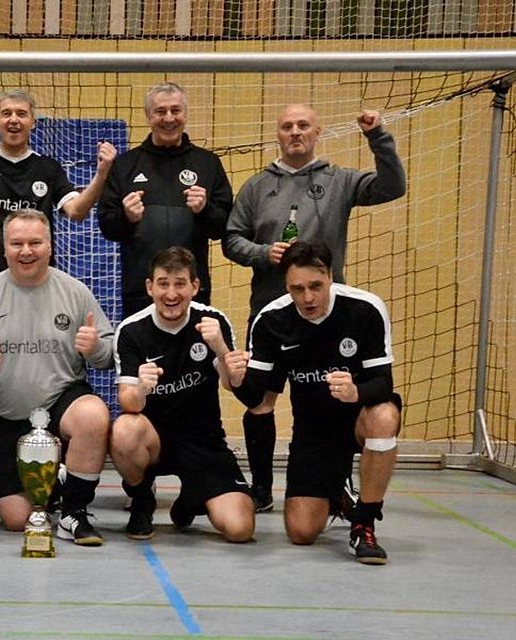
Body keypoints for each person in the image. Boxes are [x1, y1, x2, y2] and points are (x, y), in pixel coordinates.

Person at [0, 90, 117, 511]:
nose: (13, 119)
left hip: (37, 289)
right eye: (5, 114)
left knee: (42, 380)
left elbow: (75, 211)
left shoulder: (47, 169)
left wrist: (103, 173)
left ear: (33, 121)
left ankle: (56, 480)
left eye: (21, 113)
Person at [223, 104, 406, 513]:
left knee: (332, 396)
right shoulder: (256, 187)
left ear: (318, 131)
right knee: (261, 399)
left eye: (303, 125)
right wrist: (262, 252)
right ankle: (262, 487)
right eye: (286, 126)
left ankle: (336, 479)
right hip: (271, 312)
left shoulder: (338, 179)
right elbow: (231, 239)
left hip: (327, 318)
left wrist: (378, 136)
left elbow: (393, 187)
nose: (295, 132)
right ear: (278, 134)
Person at [224, 241, 401, 564]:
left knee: (385, 416)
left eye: (315, 286)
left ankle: (364, 523)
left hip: (358, 417)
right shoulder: (271, 320)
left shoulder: (365, 309)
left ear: (331, 276)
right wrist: (232, 376)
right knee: (301, 533)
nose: (307, 298)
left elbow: (384, 384)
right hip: (313, 432)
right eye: (297, 288)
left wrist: (355, 393)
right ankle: (339, 491)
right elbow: (254, 397)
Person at [0, 209, 114, 546]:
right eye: (17, 243)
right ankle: (49, 487)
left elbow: (109, 355)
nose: (26, 251)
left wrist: (95, 347)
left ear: (50, 246)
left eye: (35, 242)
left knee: (92, 415)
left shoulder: (75, 292)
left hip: (59, 403)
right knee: (16, 520)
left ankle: (74, 512)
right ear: (5, 249)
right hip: (6, 417)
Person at [110, 247, 254, 542]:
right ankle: (142, 500)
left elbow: (234, 383)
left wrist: (220, 348)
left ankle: (191, 498)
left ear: (195, 287)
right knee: (124, 429)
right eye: (163, 283)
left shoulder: (213, 322)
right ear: (150, 287)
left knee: (240, 529)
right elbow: (128, 402)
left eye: (180, 284)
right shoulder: (131, 330)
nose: (171, 294)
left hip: (204, 441)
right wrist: (141, 387)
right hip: (155, 442)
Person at [98, 82, 233, 318]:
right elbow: (107, 227)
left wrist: (204, 209)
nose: (169, 118)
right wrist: (126, 217)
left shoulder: (208, 163)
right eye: (160, 111)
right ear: (148, 116)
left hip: (193, 292)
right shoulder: (125, 165)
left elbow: (223, 227)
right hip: (141, 292)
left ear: (185, 114)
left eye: (175, 110)